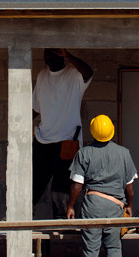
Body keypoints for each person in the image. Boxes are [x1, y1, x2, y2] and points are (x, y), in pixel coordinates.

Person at [32, 48, 93, 218]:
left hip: (67, 140)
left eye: (54, 53)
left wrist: (69, 55)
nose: (49, 57)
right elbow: (35, 108)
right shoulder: (42, 76)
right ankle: (23, 217)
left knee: (60, 188)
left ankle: (61, 223)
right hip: (43, 139)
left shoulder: (74, 74)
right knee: (35, 183)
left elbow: (89, 72)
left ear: (62, 56)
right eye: (47, 54)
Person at [67, 114, 138, 257]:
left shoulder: (84, 153)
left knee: (91, 251)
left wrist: (71, 206)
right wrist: (129, 205)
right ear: (112, 130)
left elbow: (77, 185)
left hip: (93, 206)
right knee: (113, 248)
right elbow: (129, 187)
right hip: (115, 206)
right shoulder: (124, 153)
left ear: (92, 131)